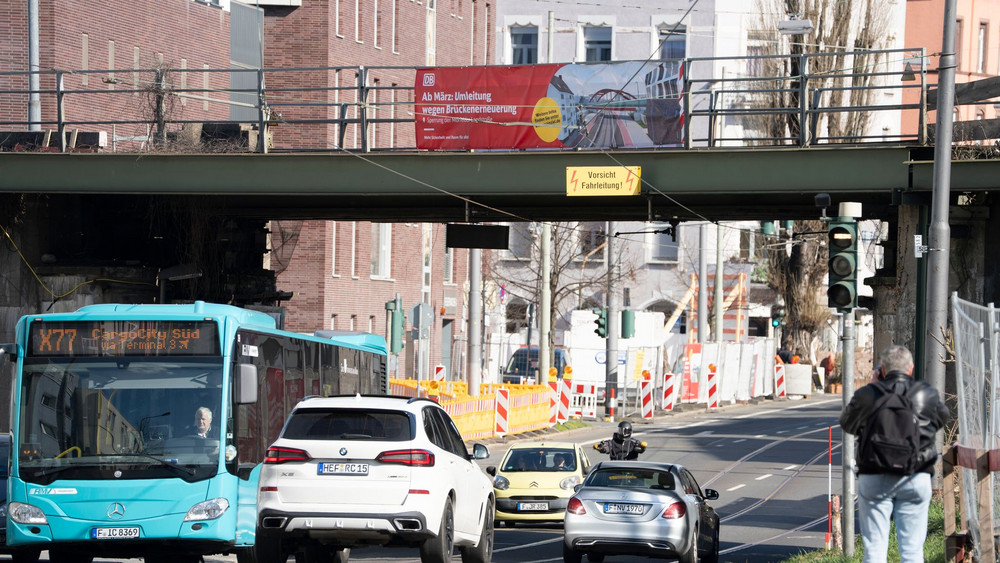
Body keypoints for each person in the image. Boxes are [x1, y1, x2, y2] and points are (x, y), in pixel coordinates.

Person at [838, 345, 949, 563]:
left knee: (875, 549)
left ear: (882, 369)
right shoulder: (926, 393)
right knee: (912, 551)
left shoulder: (867, 394)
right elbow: (941, 420)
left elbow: (847, 424)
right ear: (911, 369)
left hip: (874, 475)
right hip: (915, 475)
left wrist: (872, 387)